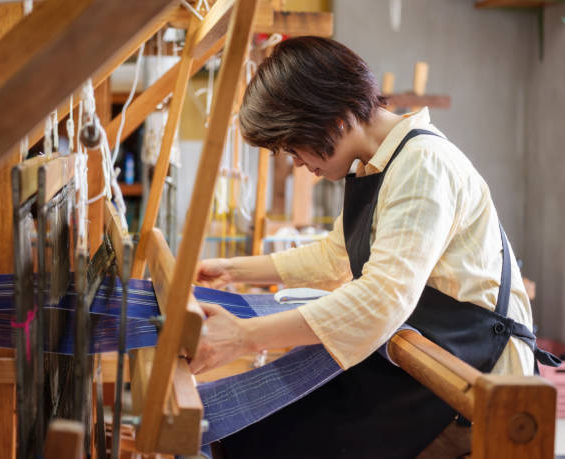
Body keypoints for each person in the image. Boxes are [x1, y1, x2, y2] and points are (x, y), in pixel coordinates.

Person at [190, 36, 559, 458]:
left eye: (293, 145)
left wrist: (244, 337)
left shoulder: (423, 164)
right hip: (426, 356)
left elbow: (382, 299)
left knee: (279, 440)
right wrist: (232, 271)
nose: (295, 161)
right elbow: (335, 258)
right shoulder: (375, 166)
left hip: (472, 378)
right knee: (254, 435)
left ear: (334, 119)